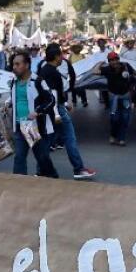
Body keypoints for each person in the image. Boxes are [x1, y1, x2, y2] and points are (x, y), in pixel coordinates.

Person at [40, 43, 96, 179]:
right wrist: (60, 109)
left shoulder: (43, 69)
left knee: (47, 140)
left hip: (48, 108)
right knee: (70, 138)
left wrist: (64, 103)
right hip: (56, 109)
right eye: (60, 55)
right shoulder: (54, 73)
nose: (62, 58)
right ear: (56, 56)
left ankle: (41, 170)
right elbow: (53, 93)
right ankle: (79, 169)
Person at [8, 50, 60, 178]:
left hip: (33, 126)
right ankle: (19, 183)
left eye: (17, 64)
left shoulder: (38, 81)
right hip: (19, 125)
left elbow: (51, 100)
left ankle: (53, 178)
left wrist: (38, 112)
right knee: (19, 157)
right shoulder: (14, 82)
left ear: (26, 65)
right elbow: (18, 98)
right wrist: (8, 103)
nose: (14, 67)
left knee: (42, 157)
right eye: (13, 64)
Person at [97, 52, 136, 146]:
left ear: (118, 59)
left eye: (116, 59)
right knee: (114, 118)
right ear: (109, 62)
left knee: (125, 118)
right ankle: (113, 135)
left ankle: (122, 138)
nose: (114, 62)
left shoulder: (126, 66)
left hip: (125, 96)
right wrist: (99, 63)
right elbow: (94, 71)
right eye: (111, 60)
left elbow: (134, 72)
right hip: (114, 97)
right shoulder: (107, 69)